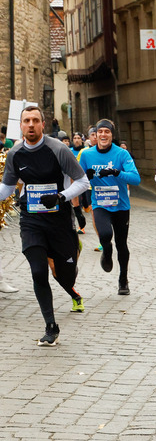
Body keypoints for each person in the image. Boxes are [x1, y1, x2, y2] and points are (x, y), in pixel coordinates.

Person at [0, 105, 91, 345]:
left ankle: (73, 250)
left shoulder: (58, 149)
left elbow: (83, 182)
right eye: (26, 120)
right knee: (38, 271)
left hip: (59, 220)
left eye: (35, 120)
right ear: (21, 125)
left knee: (66, 277)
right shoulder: (15, 153)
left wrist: (61, 196)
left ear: (43, 124)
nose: (30, 124)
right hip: (31, 220)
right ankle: (51, 326)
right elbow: (8, 188)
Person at [78, 119, 141, 295]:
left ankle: (123, 279)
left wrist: (116, 172)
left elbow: (136, 179)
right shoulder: (87, 155)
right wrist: (87, 176)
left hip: (120, 205)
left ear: (112, 135)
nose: (103, 135)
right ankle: (106, 250)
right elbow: (79, 179)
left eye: (107, 132)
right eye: (100, 132)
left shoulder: (122, 154)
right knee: (105, 234)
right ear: (95, 135)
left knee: (122, 244)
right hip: (100, 203)